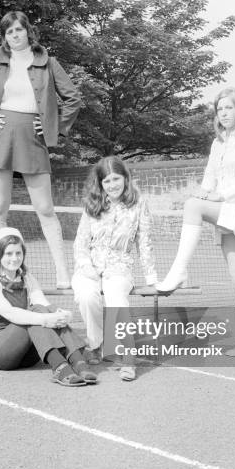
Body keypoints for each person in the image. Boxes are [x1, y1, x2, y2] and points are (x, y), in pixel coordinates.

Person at [0, 10, 81, 288]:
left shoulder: (48, 62)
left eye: (19, 30)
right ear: (4, 37)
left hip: (33, 139)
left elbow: (73, 98)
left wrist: (56, 127)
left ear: (28, 31)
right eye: (9, 32)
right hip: (0, 136)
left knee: (46, 209)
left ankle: (63, 275)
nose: (15, 35)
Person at [156, 87, 235, 357]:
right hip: (224, 209)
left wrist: (218, 195)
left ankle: (179, 272)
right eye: (219, 109)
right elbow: (210, 175)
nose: (223, 113)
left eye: (229, 108)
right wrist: (204, 191)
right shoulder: (218, 142)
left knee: (193, 208)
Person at [71, 156, 158, 381]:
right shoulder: (92, 204)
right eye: (107, 181)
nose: (112, 185)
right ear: (100, 184)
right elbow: (81, 241)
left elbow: (144, 241)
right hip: (89, 266)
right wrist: (86, 267)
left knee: (116, 299)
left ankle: (128, 355)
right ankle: (97, 344)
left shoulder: (139, 203)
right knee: (87, 295)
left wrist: (151, 277)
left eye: (116, 179)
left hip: (119, 267)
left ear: (125, 178)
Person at [0, 227, 97, 387]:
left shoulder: (27, 278)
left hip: (26, 354)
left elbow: (43, 303)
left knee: (40, 309)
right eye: (8, 253)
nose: (14, 258)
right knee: (36, 314)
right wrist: (47, 318)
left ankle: (78, 363)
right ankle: (61, 367)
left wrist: (61, 314)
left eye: (18, 253)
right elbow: (11, 313)